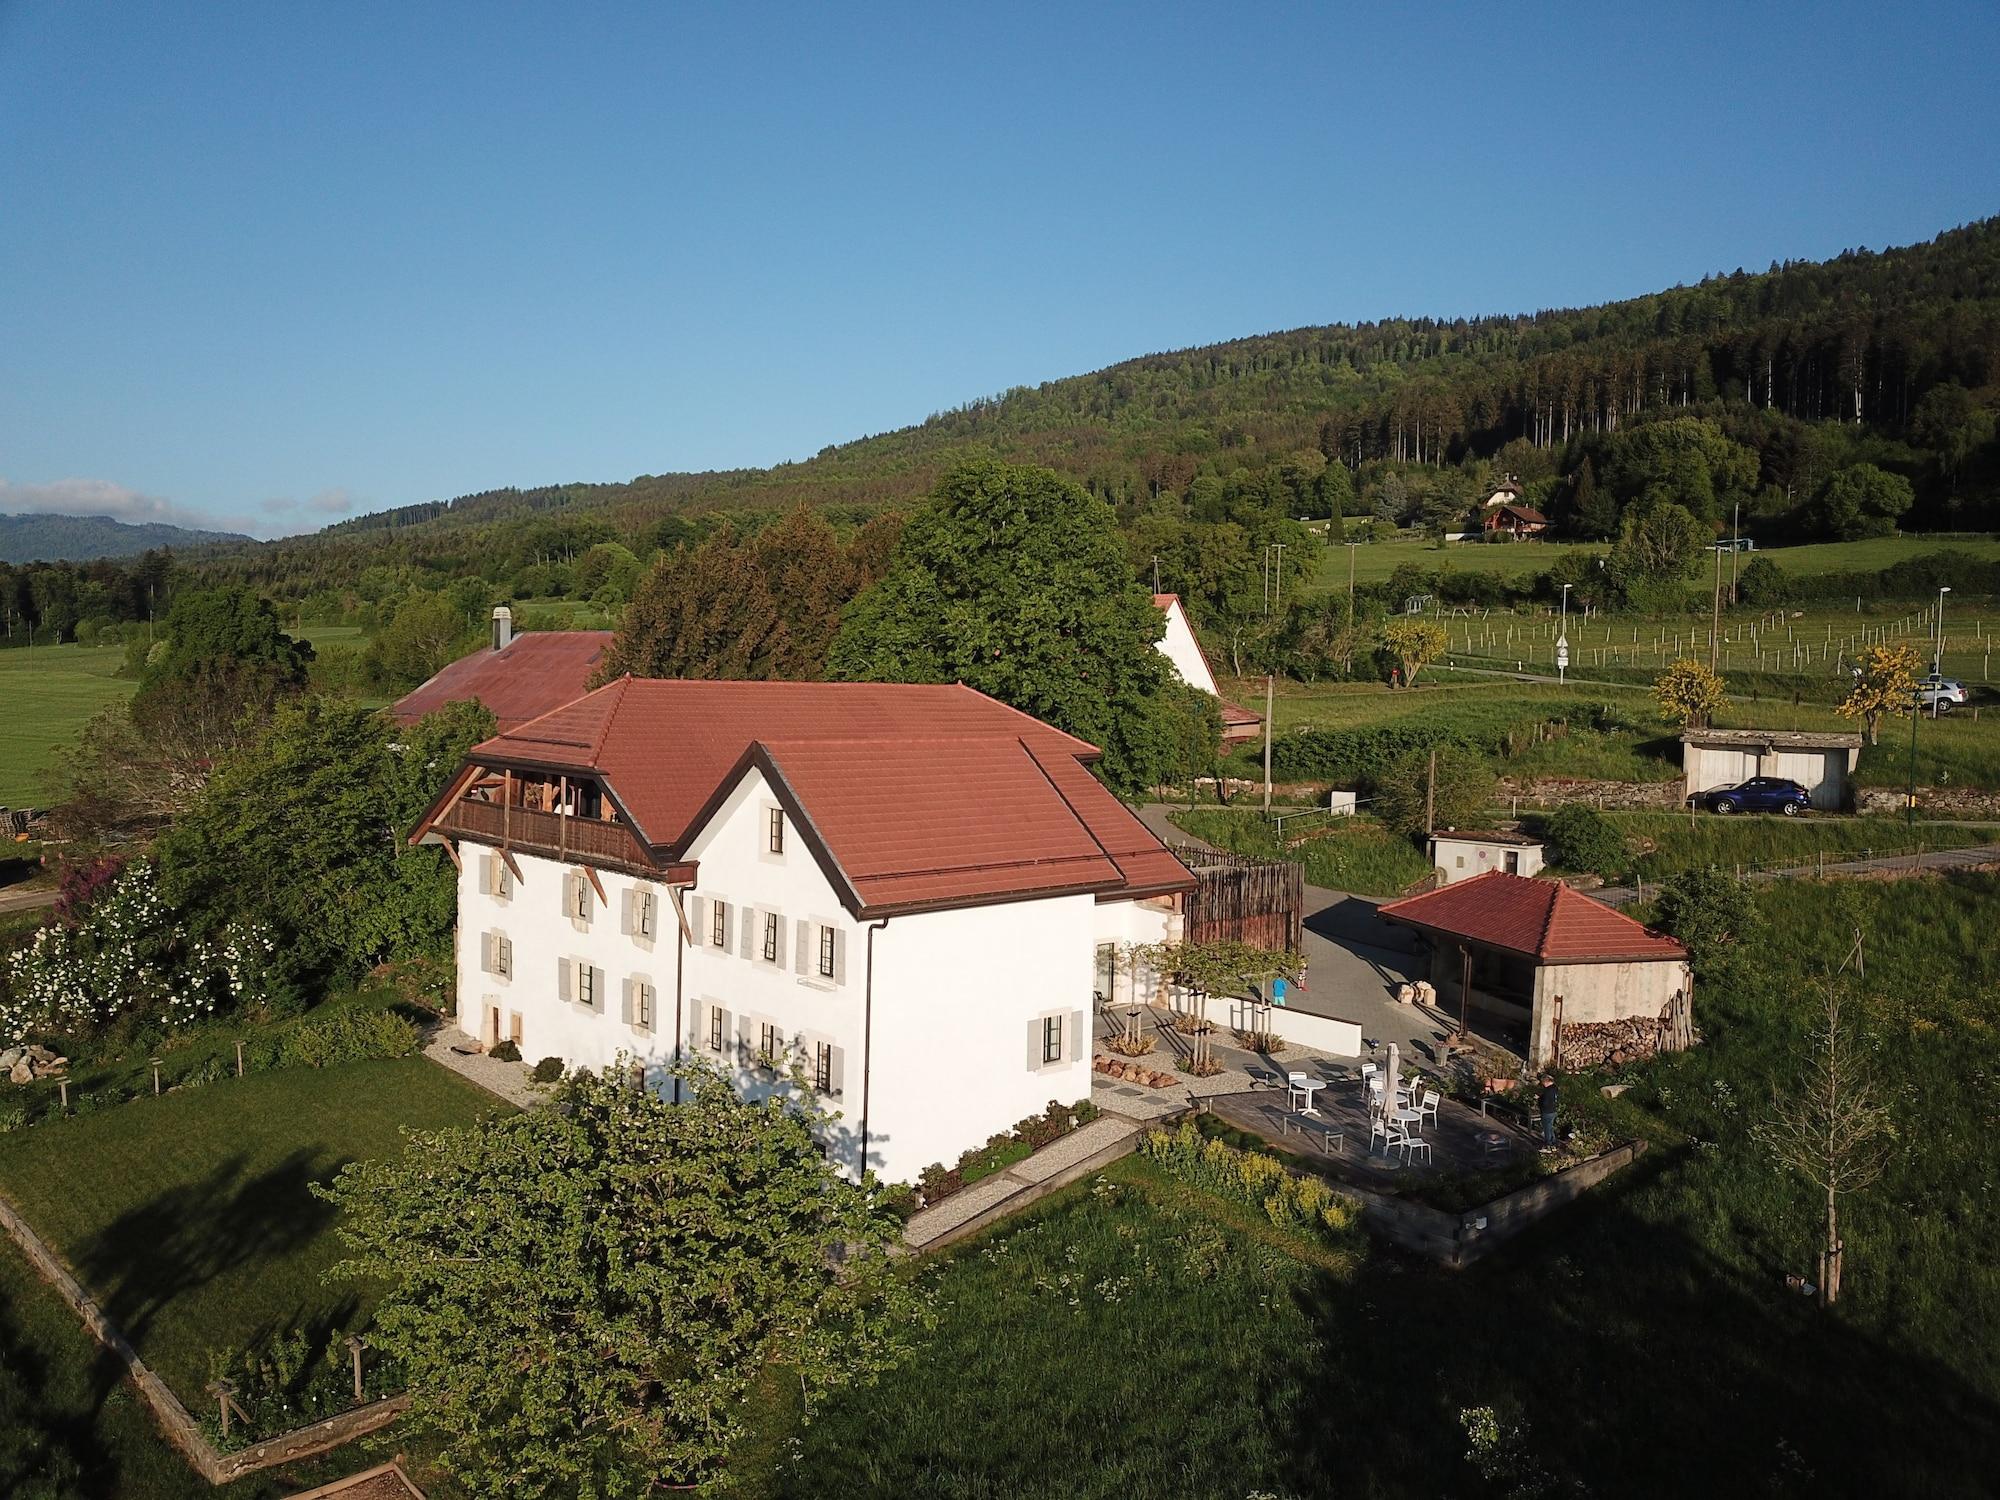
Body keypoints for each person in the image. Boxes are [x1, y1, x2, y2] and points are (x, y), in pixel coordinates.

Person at [1537, 1071, 1558, 1151]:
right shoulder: (1555, 1088)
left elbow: (1545, 1102)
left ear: (1546, 1081)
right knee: (1550, 1127)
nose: (1543, 1084)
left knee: (1547, 1129)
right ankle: (1553, 1143)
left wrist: (1539, 1099)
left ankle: (1548, 1145)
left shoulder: (1547, 1091)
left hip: (1547, 1111)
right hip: (1553, 1110)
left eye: (1543, 1082)